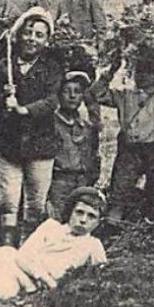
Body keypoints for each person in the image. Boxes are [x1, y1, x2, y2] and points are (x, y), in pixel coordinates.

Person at [0, 7, 64, 246]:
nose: (32, 39)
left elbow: (52, 100)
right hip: (9, 143)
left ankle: (28, 248)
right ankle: (8, 248)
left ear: (46, 40)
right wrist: (3, 97)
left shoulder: (51, 68)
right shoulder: (5, 66)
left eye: (39, 35)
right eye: (28, 33)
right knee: (8, 199)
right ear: (19, 36)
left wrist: (25, 110)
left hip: (41, 143)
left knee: (36, 202)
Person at [91, 40, 154, 224]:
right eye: (139, 71)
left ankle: (152, 223)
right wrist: (111, 71)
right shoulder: (125, 95)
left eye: (148, 72)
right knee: (120, 185)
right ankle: (113, 223)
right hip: (129, 147)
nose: (142, 76)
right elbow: (96, 93)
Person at [47, 71, 101, 221]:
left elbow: (93, 153)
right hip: (58, 184)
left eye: (77, 92)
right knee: (55, 225)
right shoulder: (50, 123)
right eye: (66, 91)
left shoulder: (85, 125)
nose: (72, 96)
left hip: (81, 184)